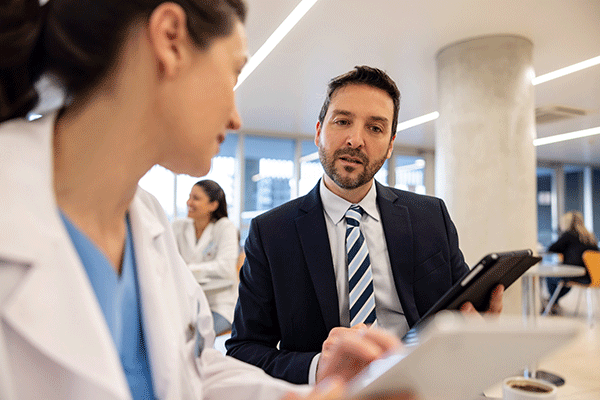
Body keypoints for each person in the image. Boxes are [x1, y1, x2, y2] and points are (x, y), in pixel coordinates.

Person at [0, 2, 414, 400]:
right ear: (170, 39)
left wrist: (301, 394)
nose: (236, 117)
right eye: (233, 75)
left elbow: (196, 368)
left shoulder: (145, 222)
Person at [226, 66, 504, 384]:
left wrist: (476, 324)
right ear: (319, 132)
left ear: (390, 145)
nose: (355, 140)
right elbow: (243, 349)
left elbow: (459, 307)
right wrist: (320, 367)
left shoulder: (430, 216)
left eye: (375, 128)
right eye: (342, 121)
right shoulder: (271, 232)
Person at [172, 179, 239, 335]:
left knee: (197, 337)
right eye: (189, 197)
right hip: (186, 302)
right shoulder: (179, 226)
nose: (189, 202)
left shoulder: (225, 227)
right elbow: (167, 260)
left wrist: (188, 269)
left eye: (196, 198)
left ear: (213, 205)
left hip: (218, 305)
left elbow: (225, 267)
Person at [544, 211, 599, 314]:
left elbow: (551, 248)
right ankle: (552, 303)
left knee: (551, 276)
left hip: (575, 275)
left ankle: (551, 303)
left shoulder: (568, 235)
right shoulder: (590, 236)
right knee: (564, 282)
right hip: (592, 277)